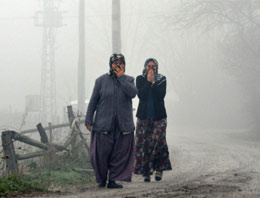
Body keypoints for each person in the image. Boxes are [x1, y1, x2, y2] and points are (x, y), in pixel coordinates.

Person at [85, 53, 137, 189]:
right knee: (100, 154)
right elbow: (93, 102)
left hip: (122, 126)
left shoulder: (129, 80)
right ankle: (101, 179)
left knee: (119, 154)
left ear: (124, 65)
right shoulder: (101, 81)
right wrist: (88, 119)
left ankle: (113, 180)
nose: (117, 65)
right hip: (103, 125)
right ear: (110, 65)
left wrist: (121, 79)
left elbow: (132, 93)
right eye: (115, 63)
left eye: (120, 63)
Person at [134, 58, 172, 182]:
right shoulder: (140, 79)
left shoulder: (162, 79)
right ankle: (146, 172)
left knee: (159, 142)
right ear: (145, 67)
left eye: (153, 66)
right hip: (144, 117)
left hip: (159, 117)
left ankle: (159, 169)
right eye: (148, 66)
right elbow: (141, 96)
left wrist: (154, 82)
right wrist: (148, 82)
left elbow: (160, 96)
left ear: (157, 68)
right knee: (144, 144)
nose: (151, 68)